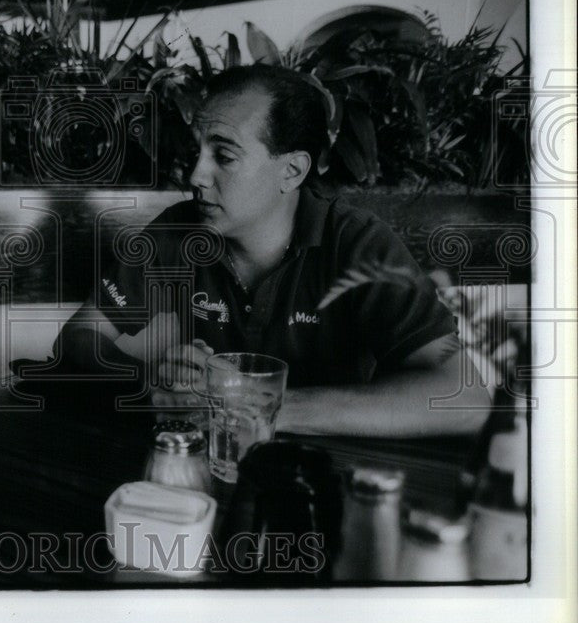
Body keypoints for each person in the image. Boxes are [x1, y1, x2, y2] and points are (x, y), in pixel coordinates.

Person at [57, 64, 490, 437]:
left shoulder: (357, 243)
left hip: (329, 480)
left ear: (292, 170)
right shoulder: (179, 230)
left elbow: (464, 398)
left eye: (223, 157)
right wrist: (151, 385)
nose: (195, 175)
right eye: (197, 153)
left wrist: (255, 408)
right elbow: (79, 338)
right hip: (215, 468)